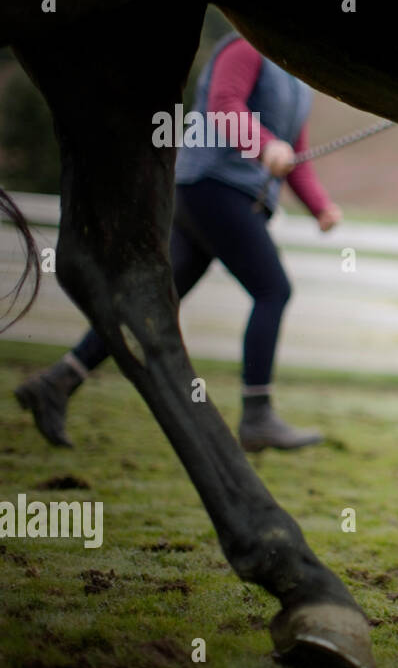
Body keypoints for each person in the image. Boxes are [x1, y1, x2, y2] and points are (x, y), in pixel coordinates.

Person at [15, 33, 342, 452]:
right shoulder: (246, 48)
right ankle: (257, 415)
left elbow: (294, 152)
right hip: (212, 188)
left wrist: (320, 207)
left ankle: (58, 381)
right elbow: (224, 105)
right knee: (273, 290)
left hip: (223, 196)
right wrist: (263, 147)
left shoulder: (299, 81)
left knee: (151, 301)